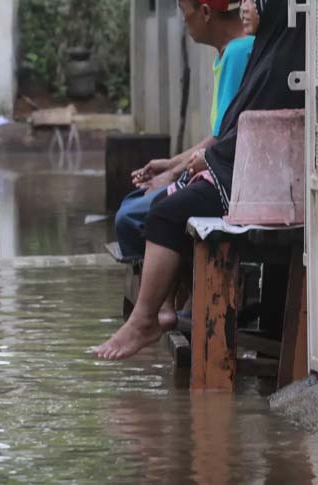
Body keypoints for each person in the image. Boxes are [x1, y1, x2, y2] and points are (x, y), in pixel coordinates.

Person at [95, 0, 305, 360]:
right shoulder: (266, 50)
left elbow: (237, 135)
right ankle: (166, 311)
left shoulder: (273, 55)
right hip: (238, 168)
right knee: (153, 207)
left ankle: (149, 317)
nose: (246, 8)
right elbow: (229, 131)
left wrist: (191, 166)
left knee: (160, 212)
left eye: (256, 3)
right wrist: (186, 165)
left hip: (260, 182)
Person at [115, 0, 254, 260]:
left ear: (205, 12)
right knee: (133, 203)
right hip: (217, 169)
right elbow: (218, 133)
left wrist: (173, 173)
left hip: (225, 179)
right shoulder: (230, 52)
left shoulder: (238, 53)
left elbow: (221, 140)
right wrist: (171, 165)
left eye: (183, 12)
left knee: (130, 217)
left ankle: (163, 296)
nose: (182, 20)